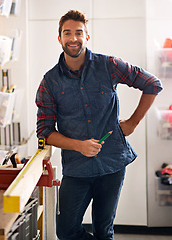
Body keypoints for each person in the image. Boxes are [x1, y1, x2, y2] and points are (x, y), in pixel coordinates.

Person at [35, 10, 162, 240]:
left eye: (78, 32)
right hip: (76, 168)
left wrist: (132, 123)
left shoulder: (109, 65)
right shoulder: (50, 81)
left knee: (104, 231)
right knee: (65, 230)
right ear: (59, 38)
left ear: (87, 36)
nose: (73, 38)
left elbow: (152, 84)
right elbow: (45, 132)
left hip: (112, 164)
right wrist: (78, 145)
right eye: (67, 33)